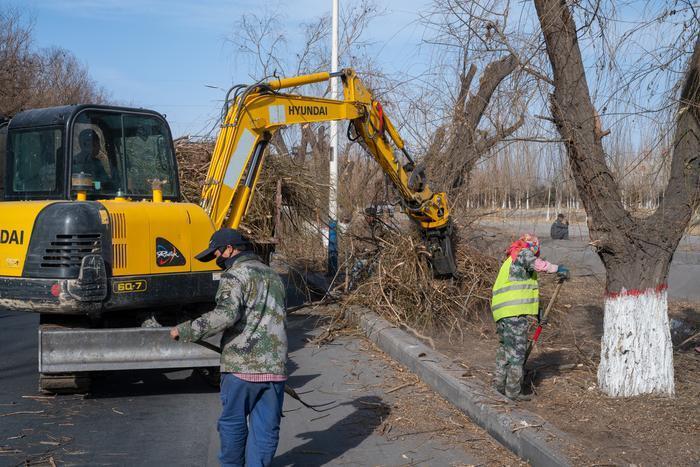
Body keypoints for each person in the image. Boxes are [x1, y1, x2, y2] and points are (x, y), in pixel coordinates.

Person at [171, 228, 287, 467]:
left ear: (231, 249)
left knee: (233, 424)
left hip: (241, 368)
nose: (217, 260)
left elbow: (226, 315)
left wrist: (186, 330)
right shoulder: (274, 276)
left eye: (217, 253)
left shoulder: (235, 276)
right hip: (275, 367)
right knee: (266, 429)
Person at [491, 234, 569, 401]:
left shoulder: (511, 260)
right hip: (514, 314)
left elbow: (523, 292)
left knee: (505, 351)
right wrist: (557, 268)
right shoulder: (523, 252)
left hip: (502, 313)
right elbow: (538, 265)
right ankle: (513, 393)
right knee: (517, 355)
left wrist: (538, 312)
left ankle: (497, 388)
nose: (536, 254)